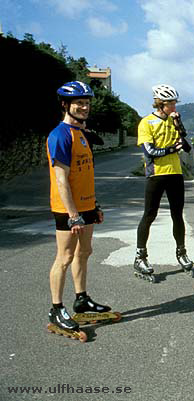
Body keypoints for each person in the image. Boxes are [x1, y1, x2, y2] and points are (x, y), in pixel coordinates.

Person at [46, 81, 112, 335]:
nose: (84, 107)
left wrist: (93, 206)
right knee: (64, 258)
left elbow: (84, 174)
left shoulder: (82, 134)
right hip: (67, 209)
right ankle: (56, 308)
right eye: (79, 103)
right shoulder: (59, 135)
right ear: (65, 105)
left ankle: (81, 299)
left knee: (84, 252)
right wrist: (73, 215)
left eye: (86, 103)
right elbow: (61, 179)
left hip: (85, 206)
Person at [133, 84, 193, 281]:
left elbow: (186, 148)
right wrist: (171, 149)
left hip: (175, 173)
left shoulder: (173, 121)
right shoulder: (147, 123)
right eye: (171, 103)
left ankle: (181, 253)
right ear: (161, 104)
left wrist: (179, 126)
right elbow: (150, 152)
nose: (174, 106)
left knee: (178, 215)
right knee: (149, 215)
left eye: (175, 102)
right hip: (156, 174)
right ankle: (140, 257)